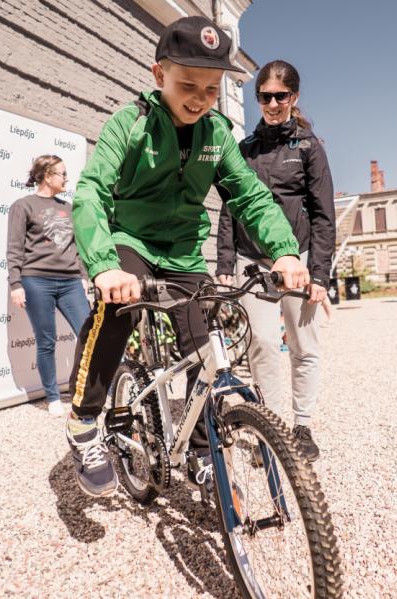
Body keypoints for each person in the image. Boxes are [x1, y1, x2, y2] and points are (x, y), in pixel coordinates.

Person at [64, 16, 308, 497]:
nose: (199, 97)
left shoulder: (217, 134)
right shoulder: (129, 122)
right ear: (159, 76)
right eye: (187, 84)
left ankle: (202, 451)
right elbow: (91, 191)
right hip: (128, 242)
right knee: (115, 312)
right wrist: (104, 265)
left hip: (181, 254)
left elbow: (251, 198)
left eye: (211, 89)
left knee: (204, 347)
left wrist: (285, 252)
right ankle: (84, 423)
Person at [215, 60, 334, 462]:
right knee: (263, 343)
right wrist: (225, 262)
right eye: (265, 96)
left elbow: (323, 215)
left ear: (293, 97)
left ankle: (301, 425)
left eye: (280, 96)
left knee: (303, 345)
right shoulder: (245, 149)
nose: (273, 103)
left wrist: (320, 273)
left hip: (298, 260)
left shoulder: (309, 147)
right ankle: (273, 428)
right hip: (254, 261)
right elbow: (231, 206)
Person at [7, 155, 89, 416]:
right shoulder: (23, 206)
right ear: (45, 175)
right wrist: (15, 283)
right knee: (46, 341)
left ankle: (85, 388)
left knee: (89, 334)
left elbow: (78, 246)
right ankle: (53, 396)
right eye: (62, 174)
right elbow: (15, 247)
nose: (66, 178)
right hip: (36, 281)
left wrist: (84, 277)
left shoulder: (69, 207)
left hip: (70, 281)